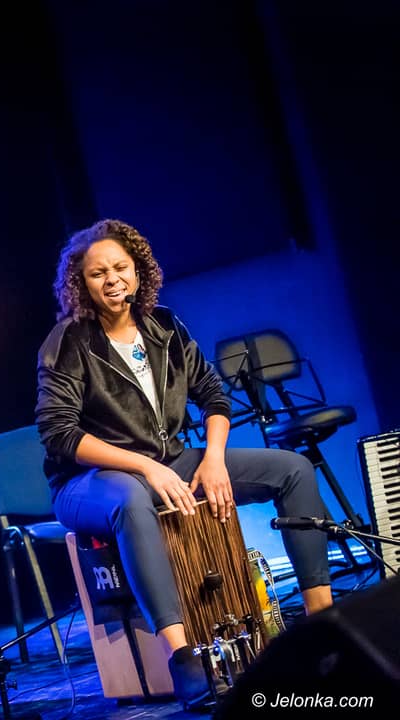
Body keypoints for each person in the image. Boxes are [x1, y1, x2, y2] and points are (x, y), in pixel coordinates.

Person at [34, 218, 333, 709]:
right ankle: (183, 659)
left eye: (120, 268)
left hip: (169, 460)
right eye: (97, 273)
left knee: (293, 469)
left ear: (138, 271)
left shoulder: (165, 326)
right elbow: (59, 433)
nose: (112, 280)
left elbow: (214, 396)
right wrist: (146, 467)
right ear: (80, 283)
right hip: (87, 481)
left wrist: (213, 460)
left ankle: (323, 626)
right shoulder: (68, 341)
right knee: (131, 499)